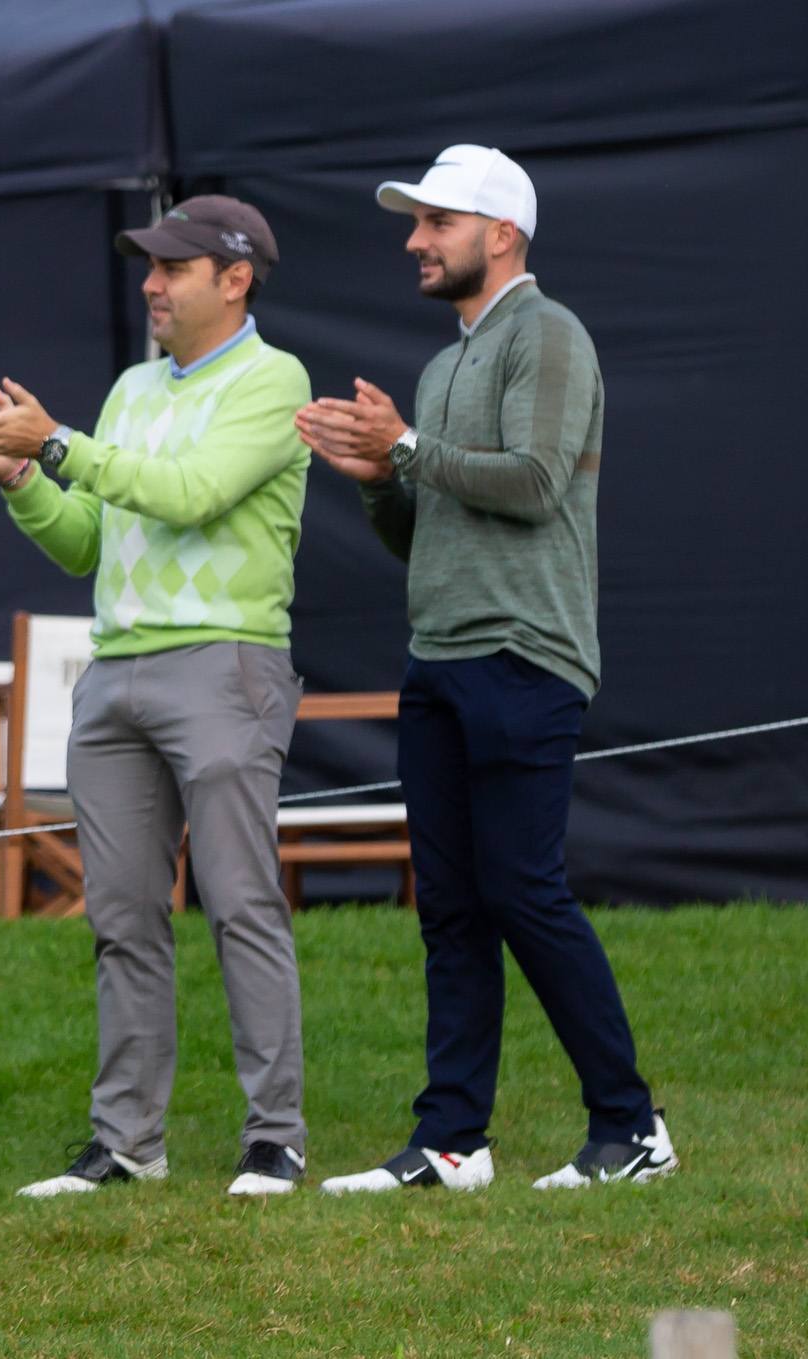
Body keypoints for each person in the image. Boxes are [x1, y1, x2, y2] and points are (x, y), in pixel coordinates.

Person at [0, 195, 316, 1199]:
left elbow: (189, 494)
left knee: (239, 907)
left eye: (171, 268)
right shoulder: (133, 388)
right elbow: (90, 541)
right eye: (146, 265)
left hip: (224, 666)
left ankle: (274, 1138)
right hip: (115, 676)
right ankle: (126, 1145)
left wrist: (54, 442)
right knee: (120, 918)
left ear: (232, 280)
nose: (148, 282)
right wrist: (21, 479)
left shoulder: (274, 382)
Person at [298, 145, 674, 1194]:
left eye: (435, 222)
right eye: (414, 223)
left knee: (521, 891)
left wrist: (405, 448)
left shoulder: (547, 335)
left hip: (524, 655)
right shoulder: (439, 363)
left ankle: (630, 1127)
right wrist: (379, 475)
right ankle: (451, 1142)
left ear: (498, 232)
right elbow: (423, 536)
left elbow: (533, 483)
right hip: (439, 658)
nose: (414, 241)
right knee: (453, 906)